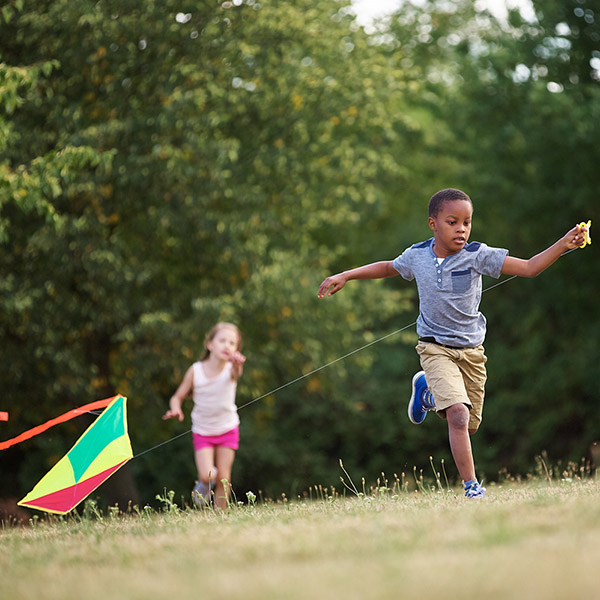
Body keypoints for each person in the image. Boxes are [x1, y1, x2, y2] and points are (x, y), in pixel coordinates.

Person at [318, 188, 588, 499]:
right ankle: (472, 487)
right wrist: (347, 275)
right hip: (435, 348)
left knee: (469, 425)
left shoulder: (477, 255)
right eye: (452, 222)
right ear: (432, 223)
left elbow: (529, 268)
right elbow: (389, 267)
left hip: (471, 353)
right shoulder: (417, 256)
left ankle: (427, 394)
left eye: (467, 222)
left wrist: (564, 243)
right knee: (458, 414)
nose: (461, 229)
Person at [163, 322, 246, 509]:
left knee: (224, 478)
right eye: (223, 340)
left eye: (232, 343)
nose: (227, 346)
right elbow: (177, 396)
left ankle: (220, 515)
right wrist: (175, 409)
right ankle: (204, 485)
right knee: (206, 475)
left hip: (228, 428)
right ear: (210, 344)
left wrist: (238, 365)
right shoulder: (196, 370)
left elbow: (236, 373)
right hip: (203, 431)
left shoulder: (231, 369)